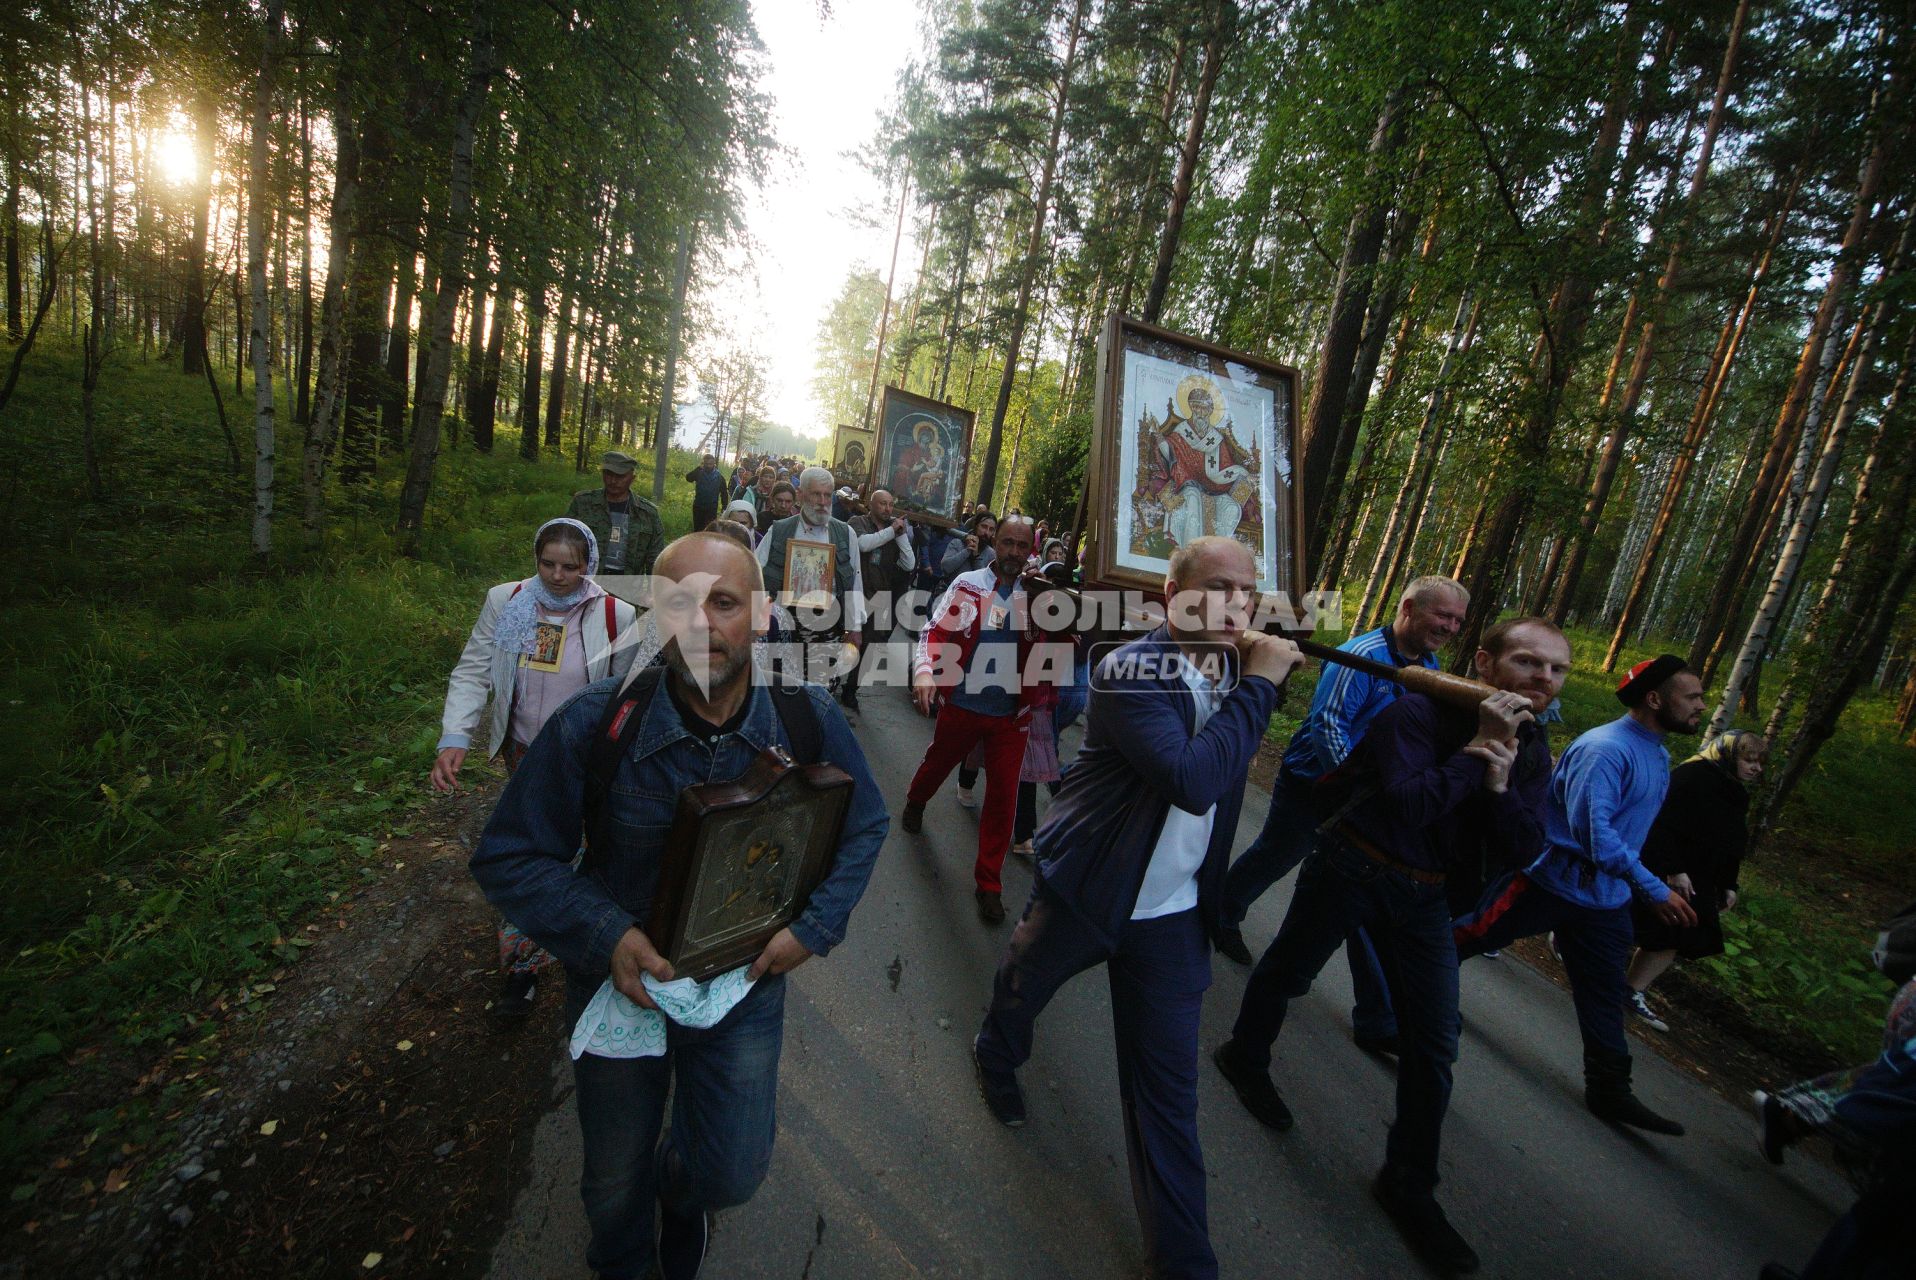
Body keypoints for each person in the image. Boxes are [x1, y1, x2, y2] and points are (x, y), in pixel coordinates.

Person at [469, 532, 888, 1280]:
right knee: (611, 1183)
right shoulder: (596, 726)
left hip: (743, 986)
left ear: (759, 616)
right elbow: (508, 856)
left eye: (723, 603)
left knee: (730, 1172)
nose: (701, 622)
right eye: (677, 603)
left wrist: (812, 930)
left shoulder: (807, 719)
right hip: (620, 986)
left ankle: (681, 1194)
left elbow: (866, 824)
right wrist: (607, 935)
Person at [971, 536, 1303, 1280]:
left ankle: (1183, 1264)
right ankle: (996, 1054)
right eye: (1215, 587)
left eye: (1246, 592)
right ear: (1169, 597)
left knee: (1168, 1098)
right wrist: (1262, 685)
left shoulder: (1227, 670)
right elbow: (1194, 779)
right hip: (1088, 885)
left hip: (1172, 915)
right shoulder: (1129, 670)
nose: (1233, 604)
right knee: (1025, 989)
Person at [1215, 617, 1568, 1276]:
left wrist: (1496, 786)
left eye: (1556, 669)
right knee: (1290, 972)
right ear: (1486, 663)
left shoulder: (1533, 747)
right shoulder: (1415, 714)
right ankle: (1244, 1054)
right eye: (1528, 662)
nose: (1543, 679)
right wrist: (1476, 755)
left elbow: (1524, 847)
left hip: (1427, 897)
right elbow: (1408, 804)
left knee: (1434, 1043)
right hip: (1355, 864)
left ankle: (1408, 1183)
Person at [1217, 575, 1471, 1055]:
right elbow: (1328, 725)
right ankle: (1221, 913)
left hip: (1366, 803)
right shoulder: (1365, 656)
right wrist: (1350, 790)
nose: (1451, 627)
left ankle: (1376, 1017)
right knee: (1277, 855)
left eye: (1457, 620)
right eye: (1443, 616)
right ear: (1410, 607)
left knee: (1365, 901)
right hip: (1317, 783)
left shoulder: (1430, 666)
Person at [1453, 654, 1703, 1137]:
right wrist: (1652, 888)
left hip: (1605, 900)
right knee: (1464, 936)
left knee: (1606, 992)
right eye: (1692, 697)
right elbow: (1597, 833)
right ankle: (1401, 996)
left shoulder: (1657, 752)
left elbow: (1635, 826)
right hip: (1549, 881)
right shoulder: (1606, 749)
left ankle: (1610, 1088)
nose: (1701, 707)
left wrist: (1667, 871)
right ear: (1655, 699)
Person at [432, 518, 640, 1017]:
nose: (558, 575)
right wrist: (456, 735)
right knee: (532, 854)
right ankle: (521, 969)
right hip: (524, 752)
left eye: (570, 566)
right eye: (548, 563)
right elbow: (474, 666)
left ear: (589, 564)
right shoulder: (508, 602)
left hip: (587, 761)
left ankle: (594, 943)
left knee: (585, 854)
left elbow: (627, 694)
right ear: (535, 559)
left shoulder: (615, 613)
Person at [899, 515, 1045, 923]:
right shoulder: (969, 585)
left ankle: (989, 885)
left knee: (1003, 798)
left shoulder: (1040, 594)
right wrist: (926, 671)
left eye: (1022, 545)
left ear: (1031, 548)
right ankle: (916, 800)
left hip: (1010, 717)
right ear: (993, 542)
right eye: (1007, 543)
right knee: (938, 762)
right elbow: (934, 632)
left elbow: (1071, 637)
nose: (1014, 553)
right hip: (962, 703)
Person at [1625, 729, 1766, 1033]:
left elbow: (1730, 842)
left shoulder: (1735, 791)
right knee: (1630, 918)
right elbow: (1661, 822)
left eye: (1759, 762)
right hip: (1664, 865)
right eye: (1749, 760)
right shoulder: (1693, 776)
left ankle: (1630, 990)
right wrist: (1673, 869)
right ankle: (1569, 938)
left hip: (1700, 876)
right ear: (1728, 754)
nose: (1756, 768)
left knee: (1678, 931)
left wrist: (1729, 884)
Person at [758, 467, 865, 687]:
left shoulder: (845, 534)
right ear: (801, 494)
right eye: (816, 494)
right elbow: (756, 576)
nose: (823, 501)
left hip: (827, 627)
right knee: (779, 688)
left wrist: (855, 627)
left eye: (827, 495)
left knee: (820, 691)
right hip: (784, 625)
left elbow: (855, 582)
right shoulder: (779, 531)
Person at [843, 488, 917, 712]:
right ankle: (831, 682)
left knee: (870, 647)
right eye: (883, 504)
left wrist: (901, 535)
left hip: (880, 597)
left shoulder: (894, 531)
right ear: (871, 504)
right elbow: (863, 544)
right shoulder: (857, 522)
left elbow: (909, 563)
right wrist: (892, 531)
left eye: (891, 504)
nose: (888, 509)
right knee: (845, 640)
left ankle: (851, 690)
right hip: (856, 593)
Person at [567, 450, 664, 578]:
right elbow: (564, 543)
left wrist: (654, 592)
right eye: (608, 474)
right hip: (587, 582)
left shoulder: (647, 513)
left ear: (632, 478)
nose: (613, 481)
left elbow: (655, 560)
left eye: (620, 476)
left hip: (628, 587)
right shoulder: (583, 503)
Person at [940, 511, 997, 582]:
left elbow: (984, 581)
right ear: (976, 526)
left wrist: (976, 557)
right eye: (984, 527)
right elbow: (945, 568)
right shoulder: (957, 543)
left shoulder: (991, 554)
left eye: (991, 529)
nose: (986, 532)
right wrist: (967, 550)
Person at [684, 453, 726, 535]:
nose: (708, 466)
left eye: (710, 464)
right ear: (703, 464)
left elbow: (724, 493)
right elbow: (688, 478)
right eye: (706, 464)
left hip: (711, 508)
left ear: (714, 464)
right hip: (698, 506)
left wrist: (724, 506)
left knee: (709, 530)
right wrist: (698, 468)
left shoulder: (719, 477)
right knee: (697, 530)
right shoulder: (698, 473)